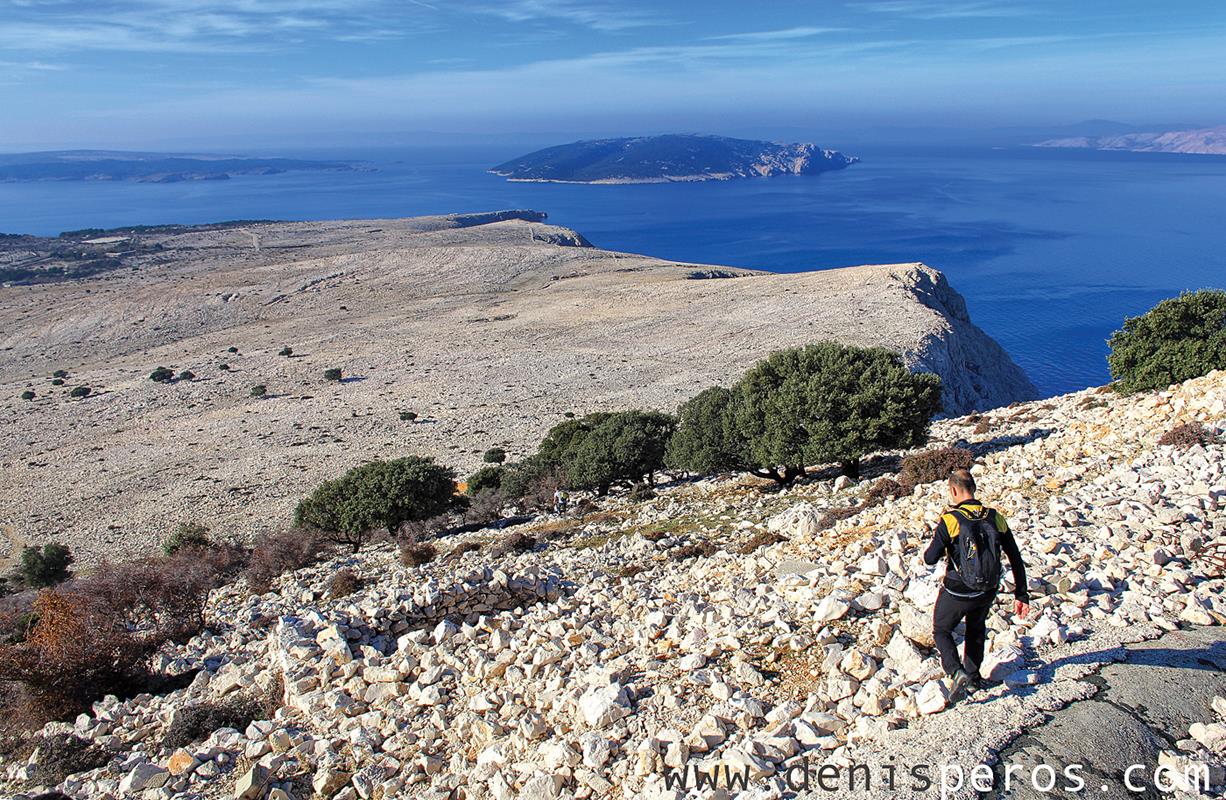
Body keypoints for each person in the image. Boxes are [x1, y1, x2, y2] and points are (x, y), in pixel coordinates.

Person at [923, 468, 1030, 700]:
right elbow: (1015, 557)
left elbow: (930, 558)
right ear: (973, 488)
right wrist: (1021, 594)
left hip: (957, 589)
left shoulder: (950, 520)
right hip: (987, 588)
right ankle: (973, 676)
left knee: (941, 630)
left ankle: (955, 672)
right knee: (976, 628)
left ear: (953, 490)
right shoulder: (995, 517)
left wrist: (940, 542)